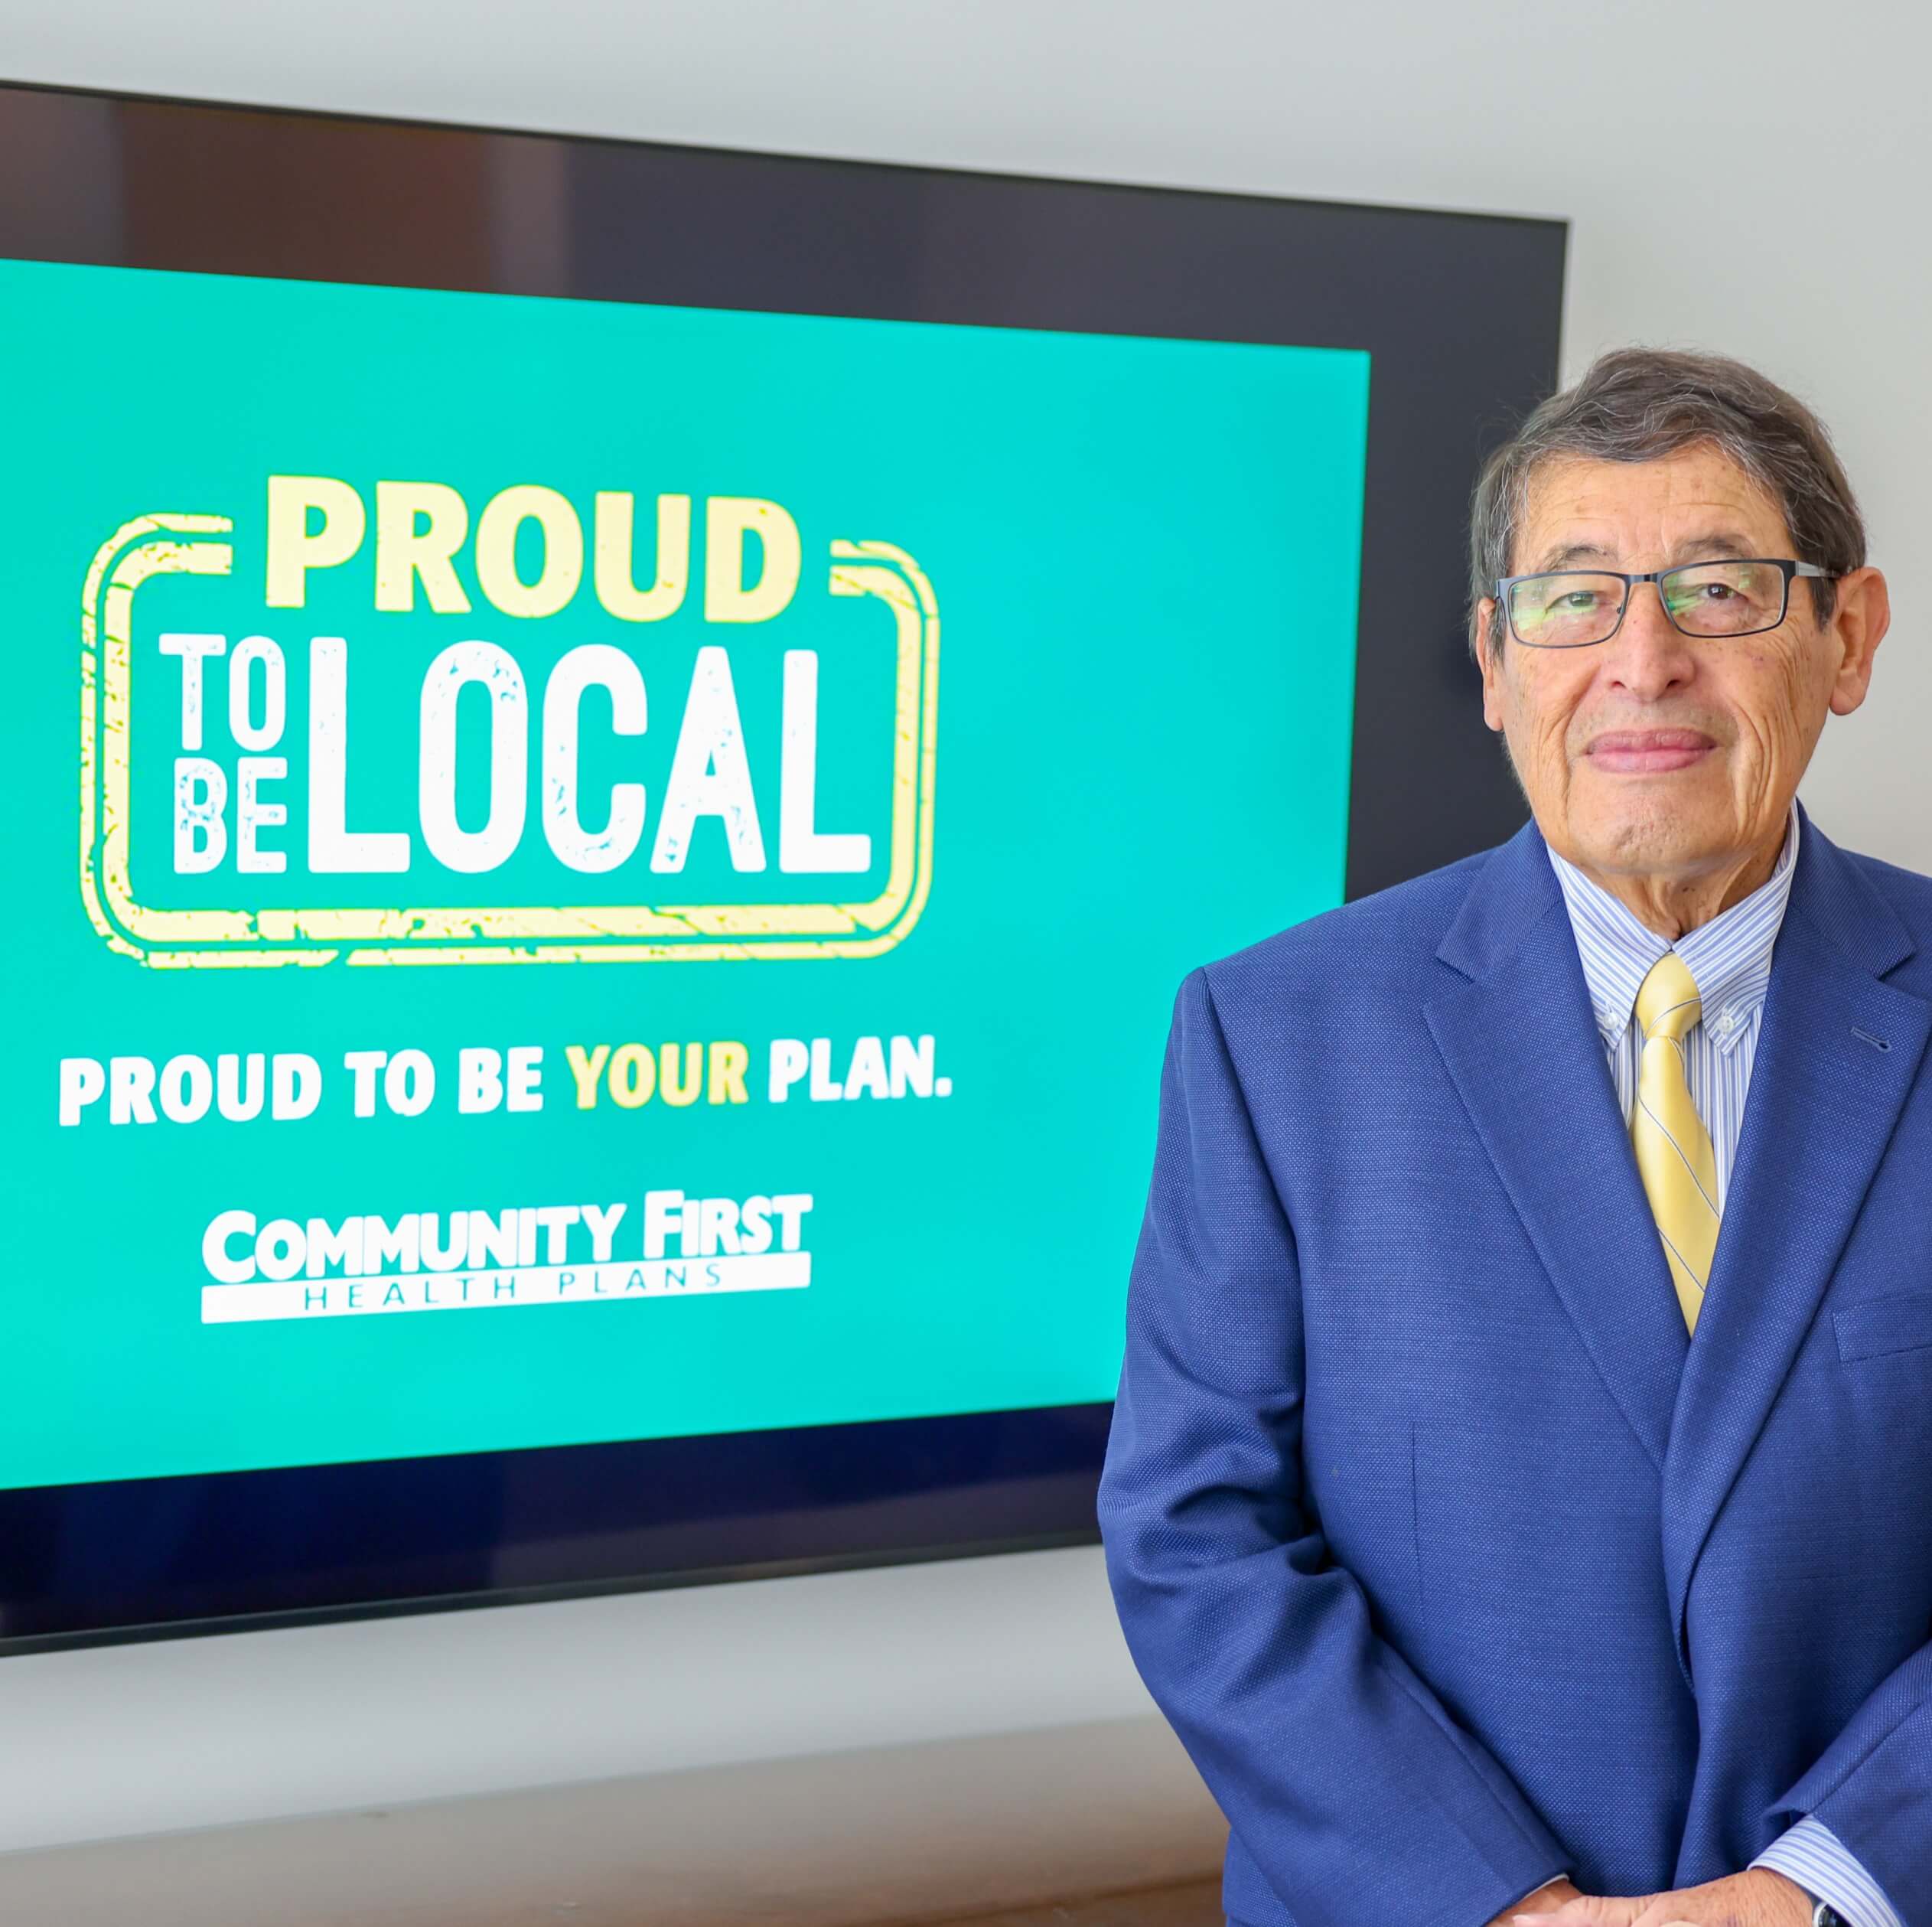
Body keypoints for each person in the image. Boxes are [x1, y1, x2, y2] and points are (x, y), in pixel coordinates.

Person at [1096, 347, 1928, 1927]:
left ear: (1848, 635)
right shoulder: (1275, 1036)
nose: (1643, 660)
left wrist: (1822, 1882)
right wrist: (1500, 1904)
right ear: (1493, 660)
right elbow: (1198, 1535)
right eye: (1572, 597)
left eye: (1720, 589)